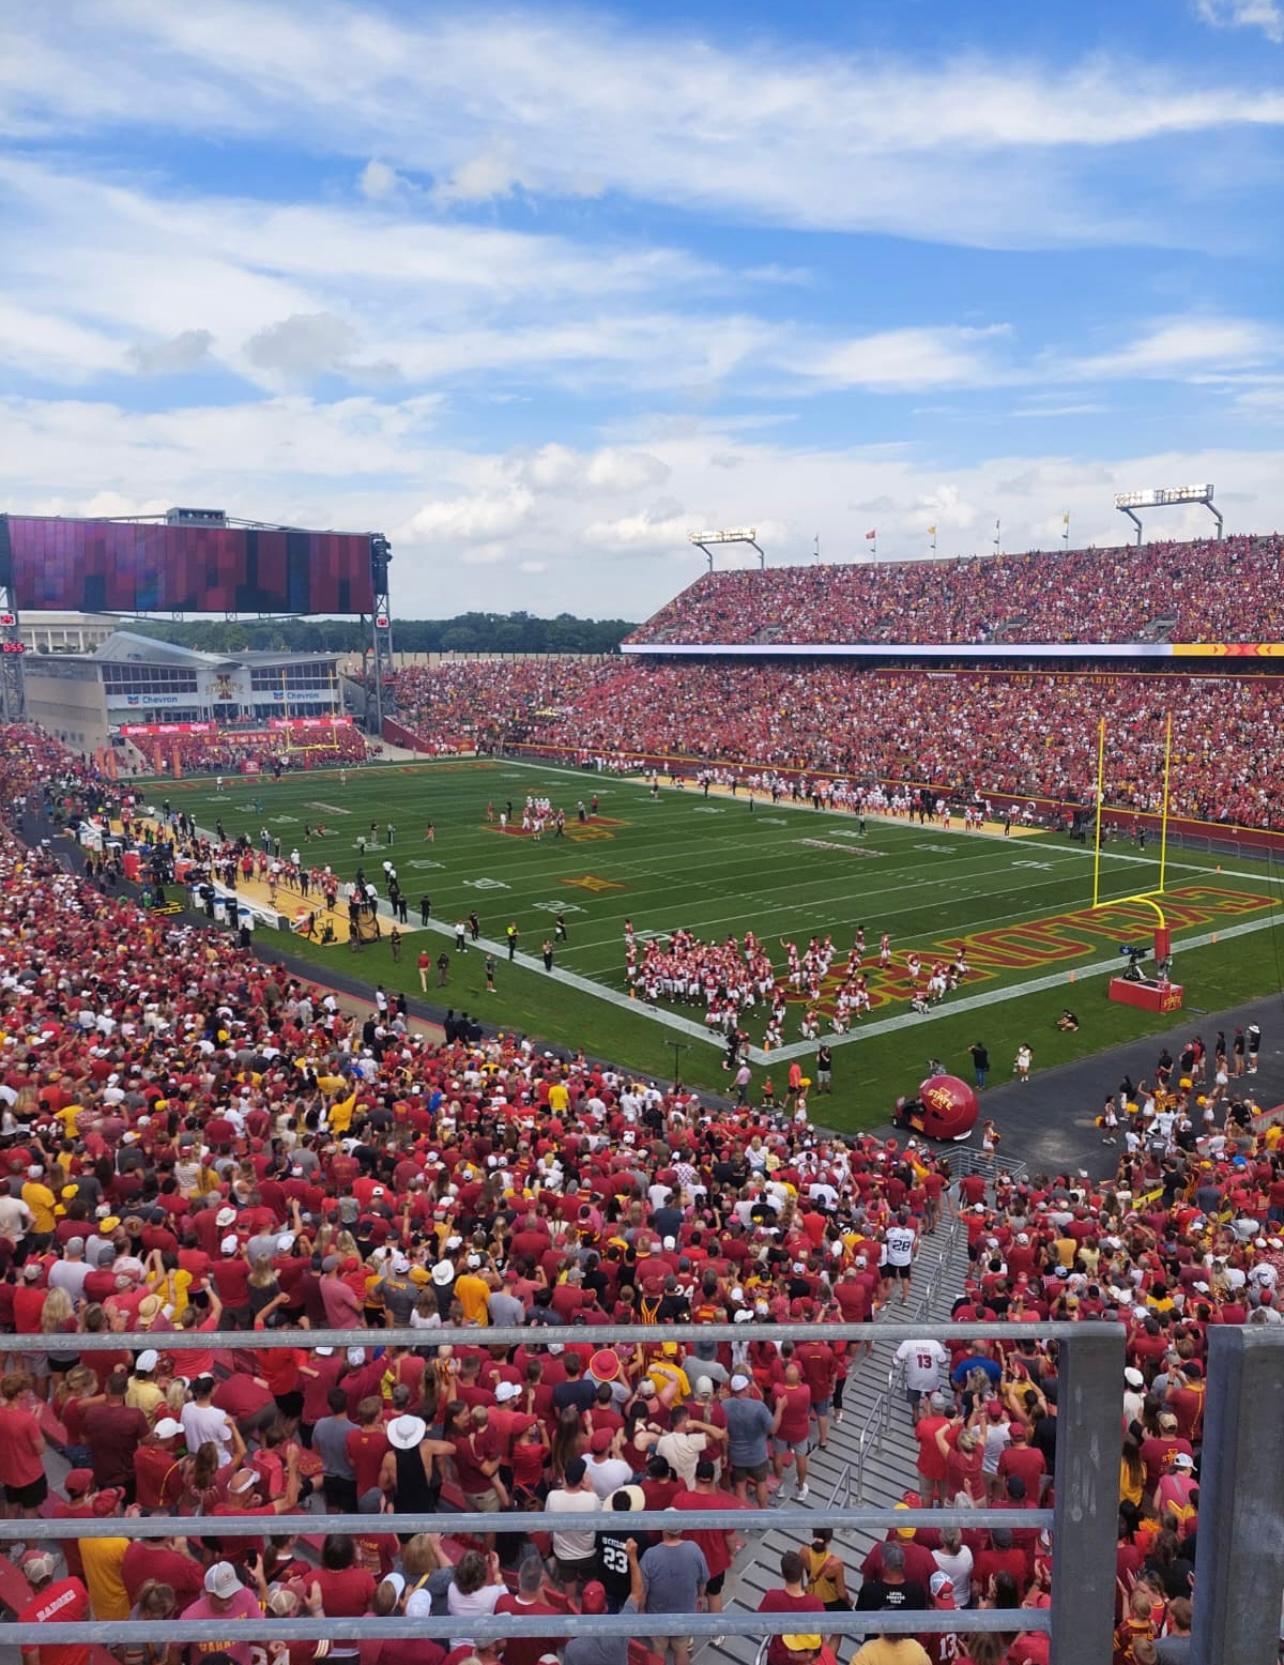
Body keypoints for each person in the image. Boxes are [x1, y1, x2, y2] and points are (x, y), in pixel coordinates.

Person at [640, 1515, 709, 1665]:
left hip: (657, 1614)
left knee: (658, 1649)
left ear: (663, 1529)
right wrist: (701, 1596)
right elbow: (703, 1580)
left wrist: (641, 1612)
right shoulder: (694, 1550)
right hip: (685, 1614)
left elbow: (643, 1591)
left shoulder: (650, 1555)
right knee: (681, 1650)